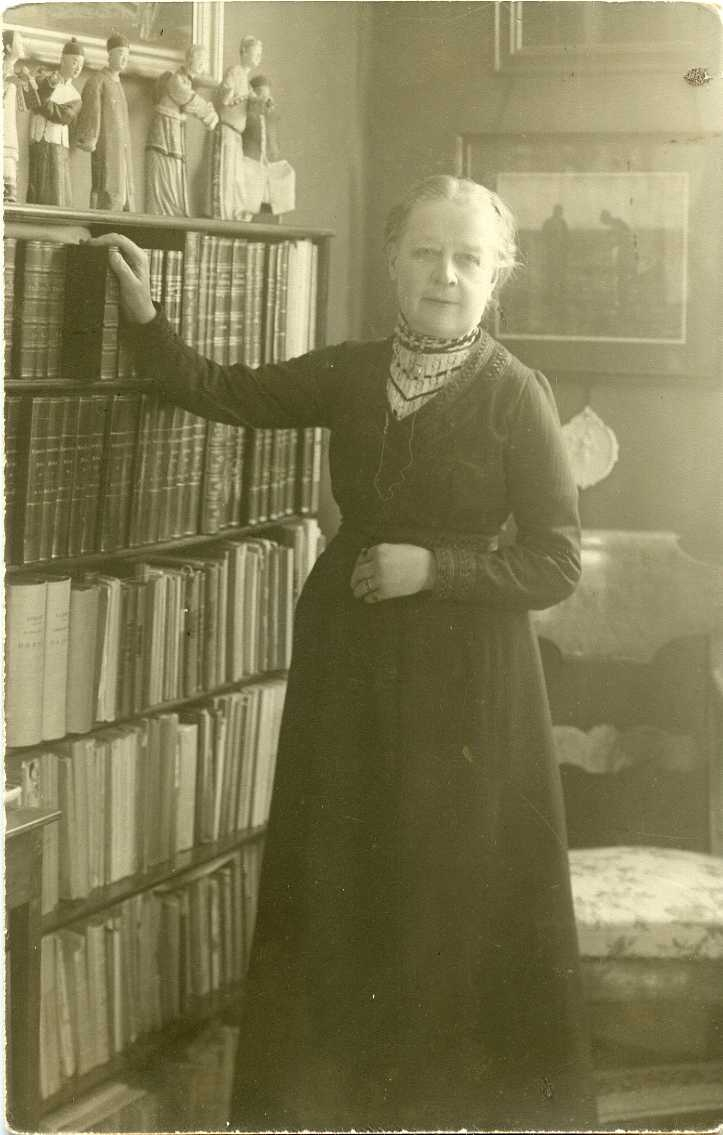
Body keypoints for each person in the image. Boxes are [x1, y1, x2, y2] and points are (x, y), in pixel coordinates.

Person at [90, 174, 597, 1131]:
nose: (444, 274)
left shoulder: (515, 393)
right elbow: (224, 392)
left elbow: (555, 561)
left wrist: (434, 568)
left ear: (497, 275)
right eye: (425, 253)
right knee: (343, 882)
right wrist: (145, 319)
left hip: (467, 684)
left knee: (442, 895)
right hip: (350, 661)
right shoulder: (354, 371)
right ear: (393, 261)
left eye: (468, 259)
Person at [145, 43, 218, 217]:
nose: (203, 66)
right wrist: (210, 115)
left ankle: (173, 213)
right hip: (164, 131)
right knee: (166, 173)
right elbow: (189, 99)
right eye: (201, 61)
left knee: (174, 171)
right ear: (190, 60)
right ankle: (164, 213)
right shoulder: (175, 80)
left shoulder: (185, 80)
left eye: (205, 62)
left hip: (173, 130)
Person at [73, 31, 134, 211]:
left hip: (122, 150)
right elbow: (91, 112)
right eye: (121, 54)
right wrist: (90, 138)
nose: (124, 59)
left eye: (127, 55)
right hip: (106, 148)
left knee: (123, 191)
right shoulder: (97, 81)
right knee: (107, 188)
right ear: (110, 55)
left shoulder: (119, 85)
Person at [26, 37, 84, 207]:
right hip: (39, 143)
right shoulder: (45, 80)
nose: (78, 68)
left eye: (81, 64)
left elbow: (62, 116)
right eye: (74, 62)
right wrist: (43, 96)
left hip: (58, 147)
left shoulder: (76, 97)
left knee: (57, 193)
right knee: (37, 190)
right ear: (62, 60)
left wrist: (41, 101)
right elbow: (32, 99)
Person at [209, 34, 262, 219]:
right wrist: (243, 96)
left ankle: (235, 215)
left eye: (260, 53)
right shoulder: (234, 72)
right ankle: (224, 216)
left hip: (237, 134)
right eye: (256, 52)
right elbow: (225, 100)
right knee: (226, 175)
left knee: (236, 176)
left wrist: (260, 100)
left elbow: (253, 103)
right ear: (244, 51)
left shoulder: (246, 80)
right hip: (227, 131)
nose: (259, 56)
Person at [240, 73, 295, 220]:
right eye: (260, 93)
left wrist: (269, 110)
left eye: (266, 94)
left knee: (284, 177)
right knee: (250, 189)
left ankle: (275, 217)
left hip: (268, 160)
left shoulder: (270, 115)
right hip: (250, 160)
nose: (264, 98)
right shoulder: (246, 112)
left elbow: (273, 136)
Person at [3, 30, 38, 202]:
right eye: (19, 42)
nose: (22, 46)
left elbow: (27, 105)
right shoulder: (6, 73)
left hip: (9, 133)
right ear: (8, 47)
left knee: (8, 196)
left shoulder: (14, 73)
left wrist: (29, 81)